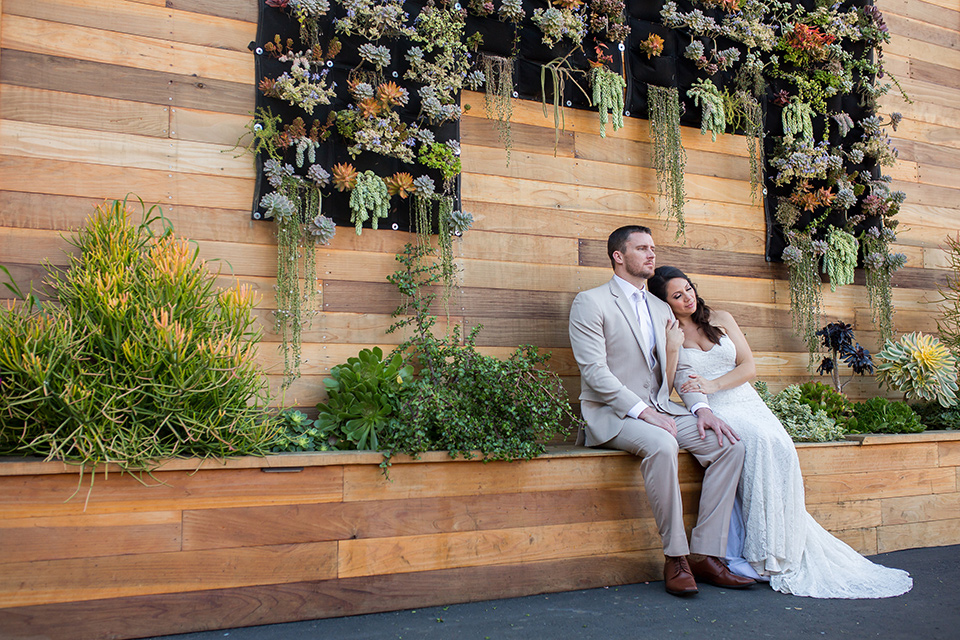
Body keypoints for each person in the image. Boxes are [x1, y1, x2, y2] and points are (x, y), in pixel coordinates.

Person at [647, 265, 914, 598]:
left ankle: (781, 540)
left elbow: (748, 366)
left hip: (745, 401)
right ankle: (755, 552)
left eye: (688, 289)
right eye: (677, 295)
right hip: (712, 408)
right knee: (755, 446)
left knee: (780, 446)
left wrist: (715, 381)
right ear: (664, 302)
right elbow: (667, 384)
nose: (687, 298)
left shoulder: (721, 318)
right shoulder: (667, 331)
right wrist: (673, 347)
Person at [568, 225, 756, 596]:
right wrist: (645, 412)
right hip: (611, 415)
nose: (652, 255)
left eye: (653, 248)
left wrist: (701, 408)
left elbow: (682, 364)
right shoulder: (590, 302)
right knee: (662, 444)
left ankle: (706, 553)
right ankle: (676, 557)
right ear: (618, 257)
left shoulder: (659, 306)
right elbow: (594, 372)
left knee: (728, 445)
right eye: (642, 249)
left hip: (662, 408)